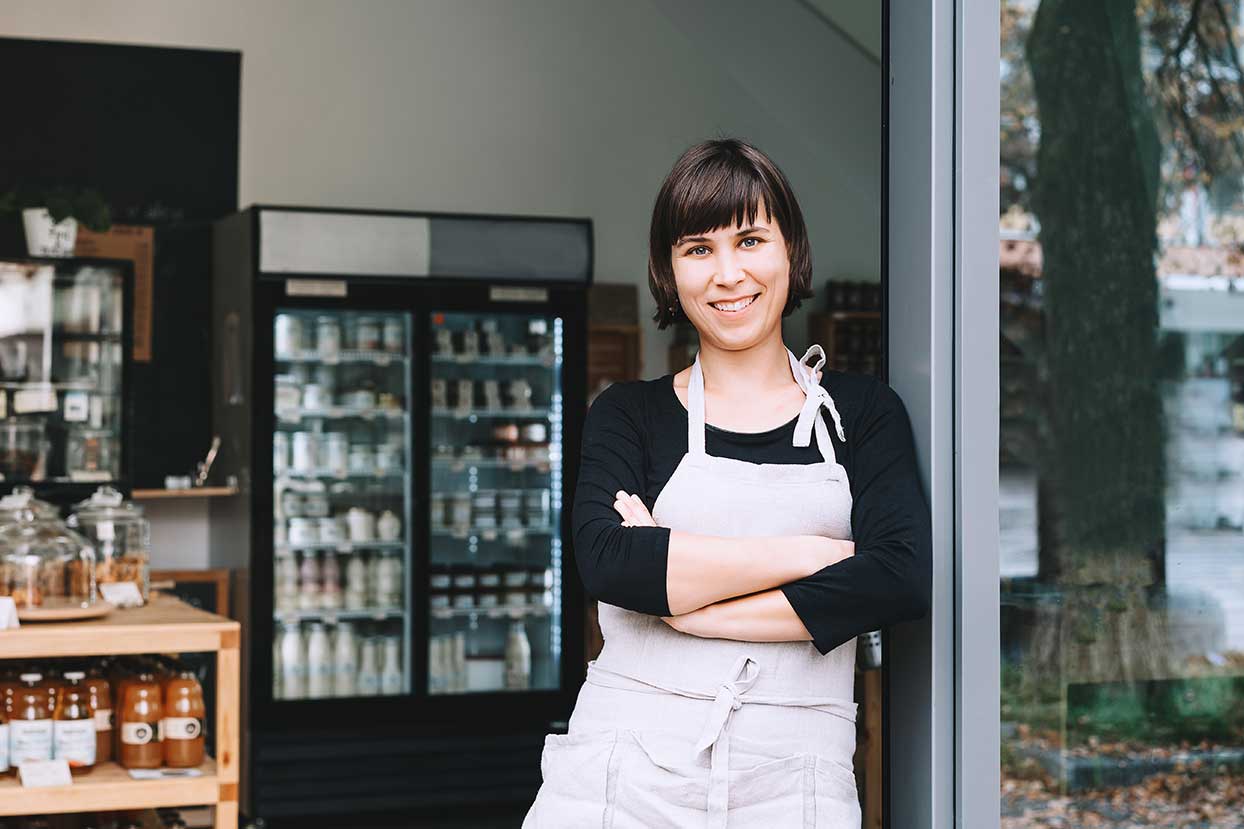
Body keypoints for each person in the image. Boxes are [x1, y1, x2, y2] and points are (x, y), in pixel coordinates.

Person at [522, 138, 931, 828]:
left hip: (796, 782)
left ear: (791, 251)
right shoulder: (628, 413)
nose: (728, 273)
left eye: (749, 239)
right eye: (698, 249)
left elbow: (898, 577)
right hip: (621, 775)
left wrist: (687, 604)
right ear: (668, 271)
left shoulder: (862, 414)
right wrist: (814, 557)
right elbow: (612, 562)